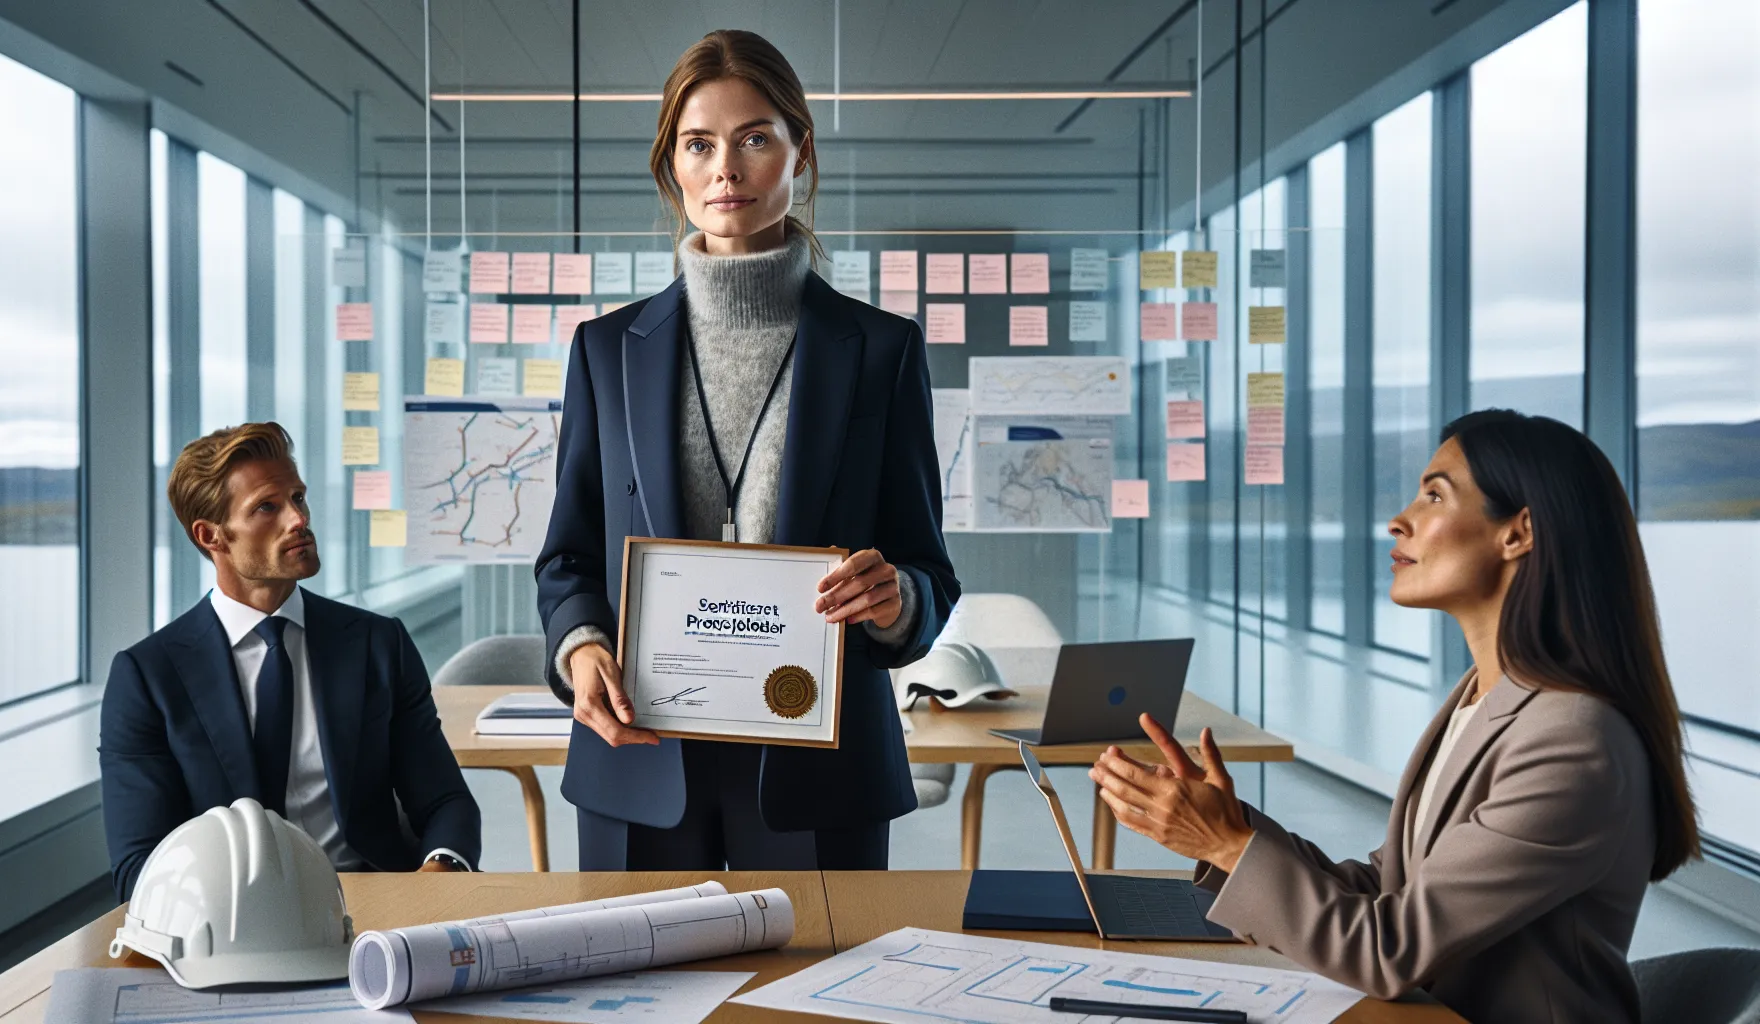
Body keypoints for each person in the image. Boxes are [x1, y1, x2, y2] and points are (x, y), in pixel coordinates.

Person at [1089, 410, 1698, 1024]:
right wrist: (1230, 830)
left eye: (1435, 494)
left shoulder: (1572, 743)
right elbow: (1390, 888)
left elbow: (1390, 948)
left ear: (1518, 534)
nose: (1398, 520)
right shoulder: (1483, 700)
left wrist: (1227, 842)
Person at [535, 29, 959, 872]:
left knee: (814, 1003)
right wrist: (580, 646)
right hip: (640, 751)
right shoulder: (605, 351)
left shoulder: (882, 351)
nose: (726, 168)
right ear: (673, 167)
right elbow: (569, 558)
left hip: (820, 760)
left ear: (799, 150)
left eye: (755, 137)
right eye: (699, 144)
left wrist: (894, 599)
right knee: (637, 1001)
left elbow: (926, 573)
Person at [100, 423, 481, 900]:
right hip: (234, 921)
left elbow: (445, 801)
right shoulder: (146, 678)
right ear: (211, 535)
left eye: (298, 498)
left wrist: (438, 876)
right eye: (267, 507)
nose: (298, 519)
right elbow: (140, 867)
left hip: (378, 903)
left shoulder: (377, 643)